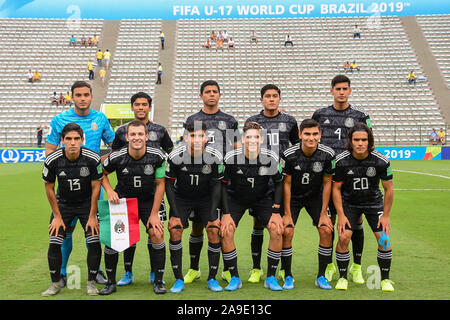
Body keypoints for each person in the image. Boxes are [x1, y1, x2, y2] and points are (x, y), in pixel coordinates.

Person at [46, 80, 115, 286]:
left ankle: (97, 271)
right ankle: (63, 271)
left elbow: (114, 146)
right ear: (72, 97)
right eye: (78, 95)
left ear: (91, 96)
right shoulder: (60, 119)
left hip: (94, 184)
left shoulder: (100, 118)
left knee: (93, 229)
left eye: (86, 95)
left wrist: (100, 162)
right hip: (68, 184)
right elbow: (49, 150)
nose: (82, 98)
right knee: (64, 230)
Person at [312, 75, 372, 285]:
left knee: (355, 222)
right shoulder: (320, 114)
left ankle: (356, 267)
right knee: (328, 224)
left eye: (345, 88)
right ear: (332, 91)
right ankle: (328, 267)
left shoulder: (360, 116)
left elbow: (369, 142)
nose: (341, 92)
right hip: (327, 177)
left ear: (350, 90)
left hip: (351, 177)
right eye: (338, 88)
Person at [111, 92, 173, 286]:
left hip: (152, 188)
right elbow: (115, 155)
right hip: (127, 189)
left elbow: (170, 153)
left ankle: (156, 274)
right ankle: (128, 273)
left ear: (149, 107)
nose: (140, 107)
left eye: (144, 104)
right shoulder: (122, 131)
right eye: (137, 104)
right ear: (132, 107)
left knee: (154, 231)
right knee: (126, 235)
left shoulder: (160, 130)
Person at [100, 120, 167, 295]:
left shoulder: (157, 156)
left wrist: (154, 214)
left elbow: (161, 185)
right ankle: (111, 282)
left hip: (149, 201)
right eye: (133, 134)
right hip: (123, 201)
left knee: (157, 233)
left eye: (140, 134)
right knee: (113, 239)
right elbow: (101, 173)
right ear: (127, 136)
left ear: (146, 136)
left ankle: (158, 281)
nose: (136, 138)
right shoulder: (116, 157)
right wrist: (109, 191)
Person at [182, 80, 240, 284]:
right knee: (197, 226)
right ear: (201, 95)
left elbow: (235, 149)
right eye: (207, 92)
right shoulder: (193, 119)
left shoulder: (230, 120)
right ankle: (194, 268)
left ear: (220, 95)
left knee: (219, 226)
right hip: (197, 180)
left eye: (215, 91)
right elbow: (185, 146)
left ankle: (225, 269)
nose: (211, 95)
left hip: (221, 180)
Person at [243, 84, 299, 284]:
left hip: (281, 179)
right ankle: (256, 268)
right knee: (257, 223)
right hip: (259, 178)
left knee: (281, 225)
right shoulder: (253, 121)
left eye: (275, 96)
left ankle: (284, 269)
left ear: (280, 99)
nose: (271, 99)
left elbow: (296, 148)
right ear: (261, 100)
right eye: (267, 96)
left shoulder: (290, 121)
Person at [221, 121, 284, 291]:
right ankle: (234, 277)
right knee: (226, 230)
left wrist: (276, 211)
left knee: (277, 229)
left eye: (256, 137)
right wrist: (226, 213)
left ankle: (270, 277)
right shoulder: (231, 158)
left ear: (261, 139)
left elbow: (279, 183)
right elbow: (222, 185)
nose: (252, 140)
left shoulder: (270, 158)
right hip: (236, 199)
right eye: (249, 137)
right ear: (243, 139)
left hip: (261, 199)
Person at [41, 123, 103, 296]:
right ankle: (55, 284)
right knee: (54, 241)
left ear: (82, 140)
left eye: (76, 139)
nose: (73, 143)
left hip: (86, 204)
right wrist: (57, 216)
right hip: (64, 204)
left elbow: (97, 187)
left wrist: (92, 216)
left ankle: (91, 282)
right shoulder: (53, 160)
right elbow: (49, 188)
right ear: (62, 141)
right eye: (68, 139)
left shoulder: (92, 158)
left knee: (93, 240)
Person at [332, 123, 394, 292]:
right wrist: (341, 214)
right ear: (350, 141)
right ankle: (343, 277)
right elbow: (335, 189)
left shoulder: (380, 161)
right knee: (343, 237)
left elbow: (389, 190)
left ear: (369, 141)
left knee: (384, 239)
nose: (360, 143)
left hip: (373, 203)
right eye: (356, 139)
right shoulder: (341, 160)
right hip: (350, 204)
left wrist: (386, 216)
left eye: (364, 140)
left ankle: (385, 280)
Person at [165, 121, 223, 293]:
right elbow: (169, 185)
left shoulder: (214, 156)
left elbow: (217, 186)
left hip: (206, 199)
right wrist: (174, 212)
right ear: (185, 138)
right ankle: (178, 279)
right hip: (182, 198)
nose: (196, 139)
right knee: (175, 229)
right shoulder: (175, 156)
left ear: (206, 138)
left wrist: (213, 213)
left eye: (200, 135)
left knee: (213, 230)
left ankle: (212, 278)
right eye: (192, 136)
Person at [282, 119, 335, 290]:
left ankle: (321, 276)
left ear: (320, 135)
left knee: (326, 229)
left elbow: (328, 183)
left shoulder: (328, 154)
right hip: (294, 197)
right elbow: (286, 184)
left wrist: (324, 213)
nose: (310, 138)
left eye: (314, 134)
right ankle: (287, 274)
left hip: (315, 197)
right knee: (287, 230)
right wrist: (288, 213)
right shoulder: (289, 154)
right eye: (306, 134)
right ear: (299, 135)